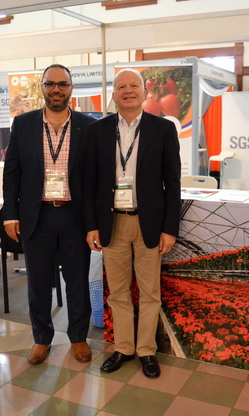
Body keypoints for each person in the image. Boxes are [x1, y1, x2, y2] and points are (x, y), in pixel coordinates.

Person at [84, 68, 181, 379]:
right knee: (118, 292)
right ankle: (124, 348)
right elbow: (90, 183)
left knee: (150, 292)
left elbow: (173, 184)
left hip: (148, 222)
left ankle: (147, 351)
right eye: (121, 87)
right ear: (113, 95)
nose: (128, 91)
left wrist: (170, 229)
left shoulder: (163, 129)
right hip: (111, 222)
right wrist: (92, 225)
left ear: (144, 92)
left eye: (134, 86)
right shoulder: (98, 130)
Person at [3, 64, 94, 365]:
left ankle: (78, 337)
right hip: (37, 215)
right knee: (38, 282)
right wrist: (10, 214)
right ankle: (42, 338)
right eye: (50, 84)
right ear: (42, 87)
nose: (56, 89)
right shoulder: (23, 124)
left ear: (71, 89)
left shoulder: (87, 126)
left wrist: (93, 222)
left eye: (62, 84)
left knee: (77, 281)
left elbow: (93, 178)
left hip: (74, 216)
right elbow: (12, 172)